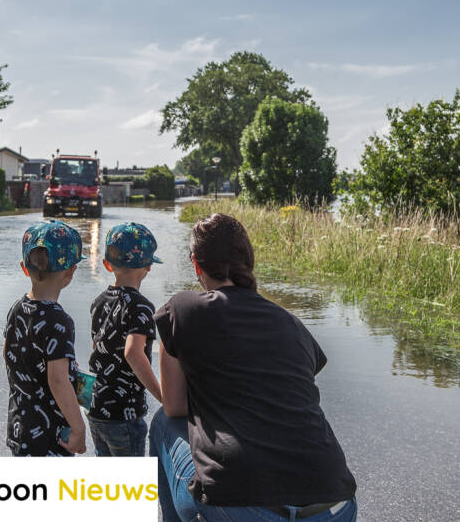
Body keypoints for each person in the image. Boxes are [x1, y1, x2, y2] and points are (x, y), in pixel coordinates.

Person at [151, 213, 358, 521]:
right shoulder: (292, 324)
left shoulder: (182, 310)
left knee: (162, 424)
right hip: (335, 504)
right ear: (248, 262)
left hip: (243, 508)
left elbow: (175, 406)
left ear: (196, 265)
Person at [3, 219, 86, 456]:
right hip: (49, 435)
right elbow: (57, 380)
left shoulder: (16, 309)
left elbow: (9, 355)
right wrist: (78, 427)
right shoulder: (59, 320)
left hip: (20, 427)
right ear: (70, 273)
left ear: (24, 267)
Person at [87, 222, 163, 456]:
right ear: (148, 266)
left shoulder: (99, 302)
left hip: (97, 407)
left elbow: (96, 347)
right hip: (124, 414)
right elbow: (132, 353)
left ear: (107, 264)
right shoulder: (141, 307)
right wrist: (163, 396)